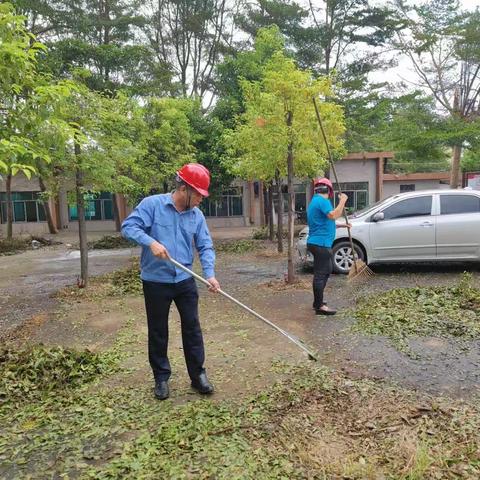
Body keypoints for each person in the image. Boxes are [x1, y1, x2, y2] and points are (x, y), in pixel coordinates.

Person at [121, 163, 220, 400]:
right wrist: (150, 242)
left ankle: (197, 376)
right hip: (155, 281)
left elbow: (205, 245)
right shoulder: (152, 205)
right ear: (184, 189)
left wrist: (210, 273)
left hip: (185, 278)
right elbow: (128, 227)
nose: (200, 200)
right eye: (198, 194)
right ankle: (161, 378)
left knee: (192, 328)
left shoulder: (196, 215)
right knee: (158, 330)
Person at [306, 178, 350, 316]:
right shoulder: (322, 201)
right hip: (321, 244)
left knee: (326, 270)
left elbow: (324, 222)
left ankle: (318, 302)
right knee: (321, 274)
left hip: (318, 242)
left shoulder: (315, 201)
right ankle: (319, 306)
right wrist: (343, 200)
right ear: (329, 191)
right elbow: (333, 215)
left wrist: (341, 225)